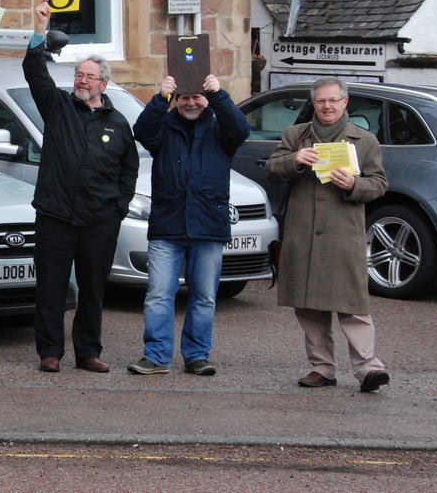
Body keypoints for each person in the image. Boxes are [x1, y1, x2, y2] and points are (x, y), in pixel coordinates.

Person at [24, 0, 139, 373]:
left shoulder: (118, 122)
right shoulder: (57, 106)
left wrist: (117, 209)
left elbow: (129, 169)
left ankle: (88, 351)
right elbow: (34, 71)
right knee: (52, 288)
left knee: (92, 289)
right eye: (78, 74)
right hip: (56, 215)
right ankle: (50, 352)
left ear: (103, 83)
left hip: (99, 221)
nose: (81, 80)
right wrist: (40, 30)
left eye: (89, 76)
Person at [264, 76, 391, 393]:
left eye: (333, 100)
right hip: (303, 232)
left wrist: (354, 185)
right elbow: (271, 170)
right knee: (308, 305)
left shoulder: (364, 140)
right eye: (321, 101)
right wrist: (293, 161)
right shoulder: (296, 136)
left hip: (342, 234)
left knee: (352, 304)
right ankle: (322, 368)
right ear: (314, 104)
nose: (327, 106)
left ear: (345, 102)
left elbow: (379, 185)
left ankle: (368, 368)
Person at [127, 73, 250, 376]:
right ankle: (156, 356)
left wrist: (220, 95)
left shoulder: (221, 128)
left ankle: (197, 355)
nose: (191, 102)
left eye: (197, 97)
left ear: (206, 100)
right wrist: (160, 98)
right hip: (168, 225)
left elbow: (241, 129)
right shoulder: (164, 127)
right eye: (184, 97)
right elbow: (141, 131)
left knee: (204, 297)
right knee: (159, 294)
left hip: (208, 225)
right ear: (177, 101)